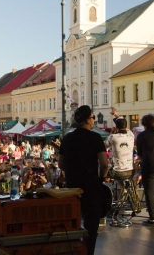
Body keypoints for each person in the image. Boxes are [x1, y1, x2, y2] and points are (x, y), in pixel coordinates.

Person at [58, 105, 108, 255]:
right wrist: (101, 178)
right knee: (91, 225)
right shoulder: (95, 137)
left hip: (72, 185)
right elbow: (104, 164)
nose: (93, 121)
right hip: (90, 185)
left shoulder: (67, 138)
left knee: (72, 220)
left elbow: (61, 164)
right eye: (93, 118)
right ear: (87, 120)